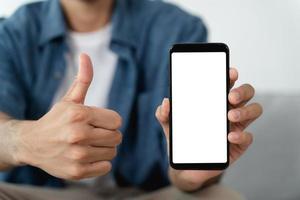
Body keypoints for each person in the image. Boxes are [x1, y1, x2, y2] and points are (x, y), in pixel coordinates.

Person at [0, 0, 263, 199]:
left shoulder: (177, 28)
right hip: (39, 193)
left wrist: (191, 176)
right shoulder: (14, 31)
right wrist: (26, 141)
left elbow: (181, 178)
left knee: (221, 197)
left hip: (142, 194)